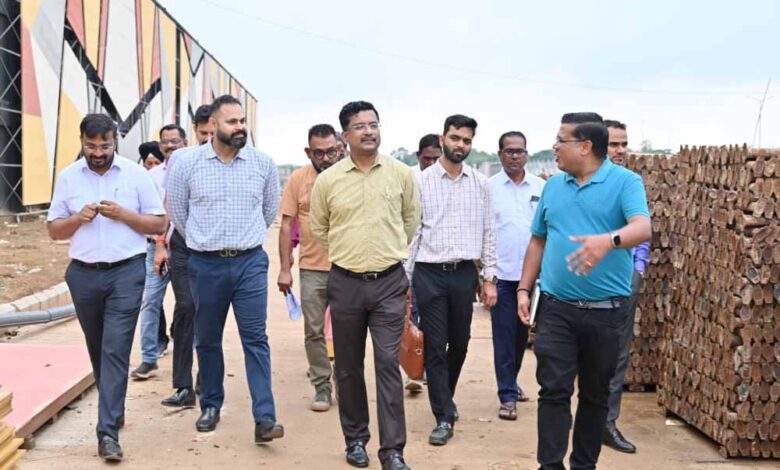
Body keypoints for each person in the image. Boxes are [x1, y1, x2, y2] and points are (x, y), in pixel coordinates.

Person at [516, 112, 651, 470]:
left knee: (595, 394)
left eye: (561, 140)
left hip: (606, 313)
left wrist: (608, 241)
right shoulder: (553, 187)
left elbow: (642, 227)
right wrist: (524, 288)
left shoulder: (625, 182)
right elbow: (538, 240)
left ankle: (583, 465)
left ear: (585, 146)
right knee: (553, 390)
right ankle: (550, 465)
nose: (554, 147)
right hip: (557, 309)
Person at [47, 114, 166, 461]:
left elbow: (159, 223)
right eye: (91, 146)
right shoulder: (68, 178)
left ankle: (107, 433)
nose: (98, 152)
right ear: (81, 141)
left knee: (115, 348)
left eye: (105, 146)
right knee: (98, 347)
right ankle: (114, 406)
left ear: (116, 141)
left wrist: (124, 215)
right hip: (83, 275)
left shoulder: (136, 175)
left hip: (126, 273)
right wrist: (77, 219)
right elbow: (54, 230)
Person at [167, 94, 284, 442]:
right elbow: (179, 214)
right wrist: (206, 241)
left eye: (242, 121)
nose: (240, 127)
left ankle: (265, 417)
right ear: (213, 124)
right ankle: (211, 405)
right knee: (207, 338)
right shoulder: (187, 163)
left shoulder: (262, 164)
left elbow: (268, 211)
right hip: (205, 265)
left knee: (256, 339)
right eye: (232, 122)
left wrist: (242, 240)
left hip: (250, 263)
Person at [310, 101, 418, 470]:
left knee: (387, 363)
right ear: (345, 135)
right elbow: (320, 228)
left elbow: (410, 221)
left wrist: (386, 253)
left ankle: (393, 451)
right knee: (349, 367)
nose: (369, 131)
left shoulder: (401, 174)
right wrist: (349, 255)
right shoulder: (329, 181)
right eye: (360, 126)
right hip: (346, 283)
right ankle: (356, 440)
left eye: (374, 124)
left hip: (389, 283)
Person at [405, 114, 497, 446]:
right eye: (455, 138)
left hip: (463, 274)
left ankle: (446, 397)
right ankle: (443, 415)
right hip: (429, 273)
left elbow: (489, 232)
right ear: (443, 139)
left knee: (459, 343)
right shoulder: (421, 182)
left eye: (466, 140)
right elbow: (413, 234)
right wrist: (406, 281)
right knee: (435, 344)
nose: (460, 145)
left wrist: (489, 277)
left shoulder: (481, 184)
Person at [277, 123, 345, 412]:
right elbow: (286, 225)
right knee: (314, 330)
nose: (326, 158)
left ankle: (345, 383)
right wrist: (284, 268)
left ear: (339, 148)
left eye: (331, 152)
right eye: (319, 153)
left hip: (347, 267)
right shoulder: (298, 179)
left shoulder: (349, 176)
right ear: (308, 152)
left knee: (347, 331)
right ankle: (322, 387)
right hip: (312, 269)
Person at [487, 131, 545, 420]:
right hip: (502, 276)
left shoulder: (541, 187)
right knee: (504, 336)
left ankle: (511, 381)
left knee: (521, 336)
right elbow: (484, 233)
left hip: (533, 277)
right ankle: (507, 396)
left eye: (519, 151)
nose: (514, 156)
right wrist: (485, 277)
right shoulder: (489, 188)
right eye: (509, 151)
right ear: (500, 155)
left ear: (526, 154)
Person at [602, 119, 649, 453]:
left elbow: (643, 229)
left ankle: (607, 423)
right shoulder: (580, 183)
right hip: (586, 281)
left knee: (618, 353)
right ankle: (585, 417)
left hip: (623, 280)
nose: (620, 151)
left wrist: (638, 269)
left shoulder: (631, 183)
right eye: (613, 144)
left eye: (624, 144)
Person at [131, 125, 187, 381]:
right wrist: (159, 243)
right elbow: (147, 213)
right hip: (157, 249)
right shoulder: (150, 177)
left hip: (187, 249)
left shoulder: (192, 170)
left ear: (185, 142)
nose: (170, 146)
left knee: (189, 305)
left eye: (175, 141)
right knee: (150, 300)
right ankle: (149, 357)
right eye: (165, 141)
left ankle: (192, 362)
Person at [404, 133, 442, 395]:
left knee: (431, 319)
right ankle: (413, 371)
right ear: (418, 156)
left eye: (435, 159)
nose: (430, 163)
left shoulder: (446, 180)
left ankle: (426, 367)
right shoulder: (409, 178)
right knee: (410, 317)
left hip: (434, 264)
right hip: (409, 261)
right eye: (426, 158)